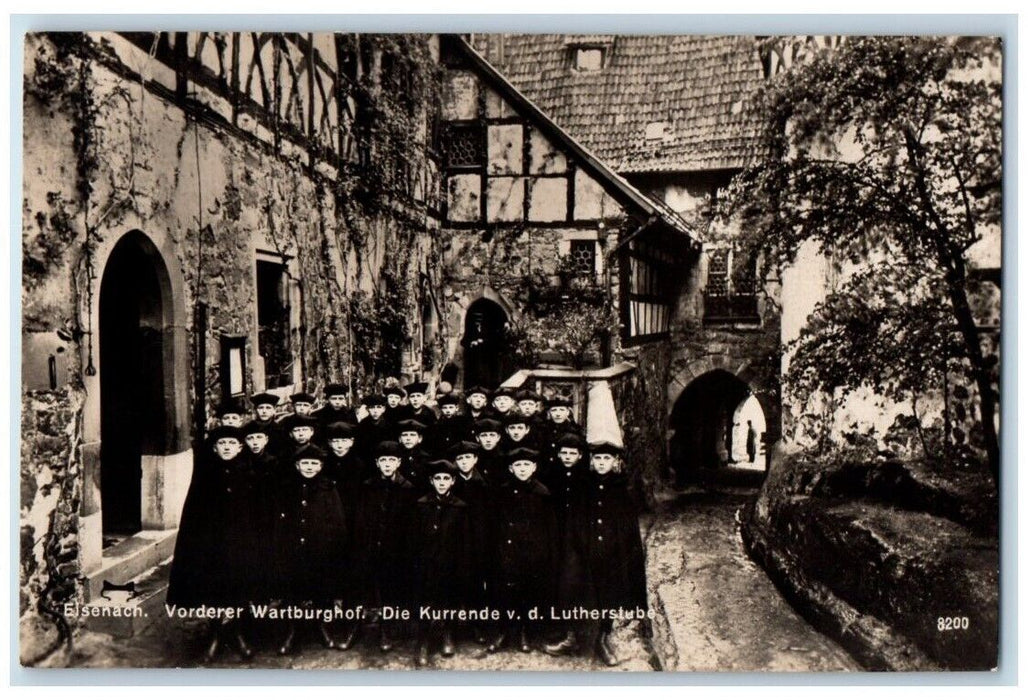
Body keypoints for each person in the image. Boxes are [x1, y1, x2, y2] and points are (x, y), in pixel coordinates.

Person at [545, 442, 647, 666]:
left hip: (611, 552)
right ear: (591, 461)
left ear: (615, 462)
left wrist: (620, 550)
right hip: (583, 550)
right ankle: (571, 637)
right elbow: (574, 519)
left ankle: (602, 639)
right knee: (573, 588)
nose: (602, 464)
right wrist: (576, 547)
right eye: (598, 459)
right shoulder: (583, 486)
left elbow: (628, 527)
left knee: (608, 594)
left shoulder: (623, 490)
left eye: (606, 459)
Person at [167, 425, 262, 663]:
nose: (227, 447)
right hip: (213, 545)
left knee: (239, 588)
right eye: (222, 444)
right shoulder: (206, 475)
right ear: (215, 448)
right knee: (214, 589)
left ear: (240, 447)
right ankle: (217, 634)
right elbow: (194, 513)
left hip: (243, 543)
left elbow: (261, 512)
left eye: (232, 443)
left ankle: (236, 632)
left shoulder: (250, 472)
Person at [268, 444, 350, 655]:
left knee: (321, 592)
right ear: (297, 465)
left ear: (321, 466)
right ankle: (292, 632)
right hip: (293, 549)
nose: (310, 467)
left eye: (314, 463)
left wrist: (334, 550)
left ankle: (321, 628)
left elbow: (338, 522)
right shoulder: (287, 487)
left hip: (320, 550)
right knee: (293, 592)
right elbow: (278, 521)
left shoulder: (328, 488)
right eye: (305, 463)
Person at [488, 447, 557, 654]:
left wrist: (544, 553)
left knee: (528, 592)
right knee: (505, 592)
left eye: (526, 465)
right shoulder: (503, 491)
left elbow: (549, 528)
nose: (522, 469)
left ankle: (524, 632)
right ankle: (504, 632)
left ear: (534, 467)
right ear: (511, 468)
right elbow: (496, 522)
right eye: (518, 465)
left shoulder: (542, 493)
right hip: (508, 550)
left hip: (532, 552)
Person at [351, 440, 417, 653]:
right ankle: (363, 628)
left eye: (391, 460)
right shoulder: (369, 486)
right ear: (377, 463)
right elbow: (361, 518)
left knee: (391, 588)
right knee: (369, 588)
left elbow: (409, 524)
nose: (387, 464)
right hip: (371, 545)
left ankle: (387, 629)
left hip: (395, 549)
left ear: (399, 462)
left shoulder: (407, 488)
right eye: (383, 460)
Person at [411, 459, 471, 666]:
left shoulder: (460, 507)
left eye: (446, 478)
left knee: (449, 600)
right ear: (431, 480)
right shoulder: (421, 505)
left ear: (453, 481)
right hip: (427, 563)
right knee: (425, 602)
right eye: (438, 478)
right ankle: (424, 642)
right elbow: (414, 538)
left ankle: (448, 634)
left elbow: (464, 542)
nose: (442, 482)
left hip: (450, 564)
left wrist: (462, 566)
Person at [395, 418, 431, 490]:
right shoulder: (395, 457)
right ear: (400, 439)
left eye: (412, 435)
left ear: (420, 439)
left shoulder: (426, 458)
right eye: (405, 435)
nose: (408, 438)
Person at [472, 417, 506, 486]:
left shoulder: (505, 457)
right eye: (484, 435)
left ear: (498, 437)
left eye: (492, 435)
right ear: (477, 438)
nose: (488, 439)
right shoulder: (473, 458)